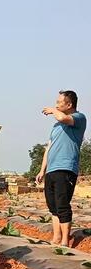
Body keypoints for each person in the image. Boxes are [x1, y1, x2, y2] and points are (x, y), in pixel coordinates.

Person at [37, 90, 87, 247]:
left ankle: (65, 240)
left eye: (59, 102)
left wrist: (53, 110)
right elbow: (49, 148)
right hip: (52, 169)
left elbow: (62, 117)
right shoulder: (56, 125)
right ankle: (56, 238)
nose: (56, 105)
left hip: (65, 168)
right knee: (53, 206)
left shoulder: (78, 118)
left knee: (62, 203)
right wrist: (42, 170)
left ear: (69, 104)